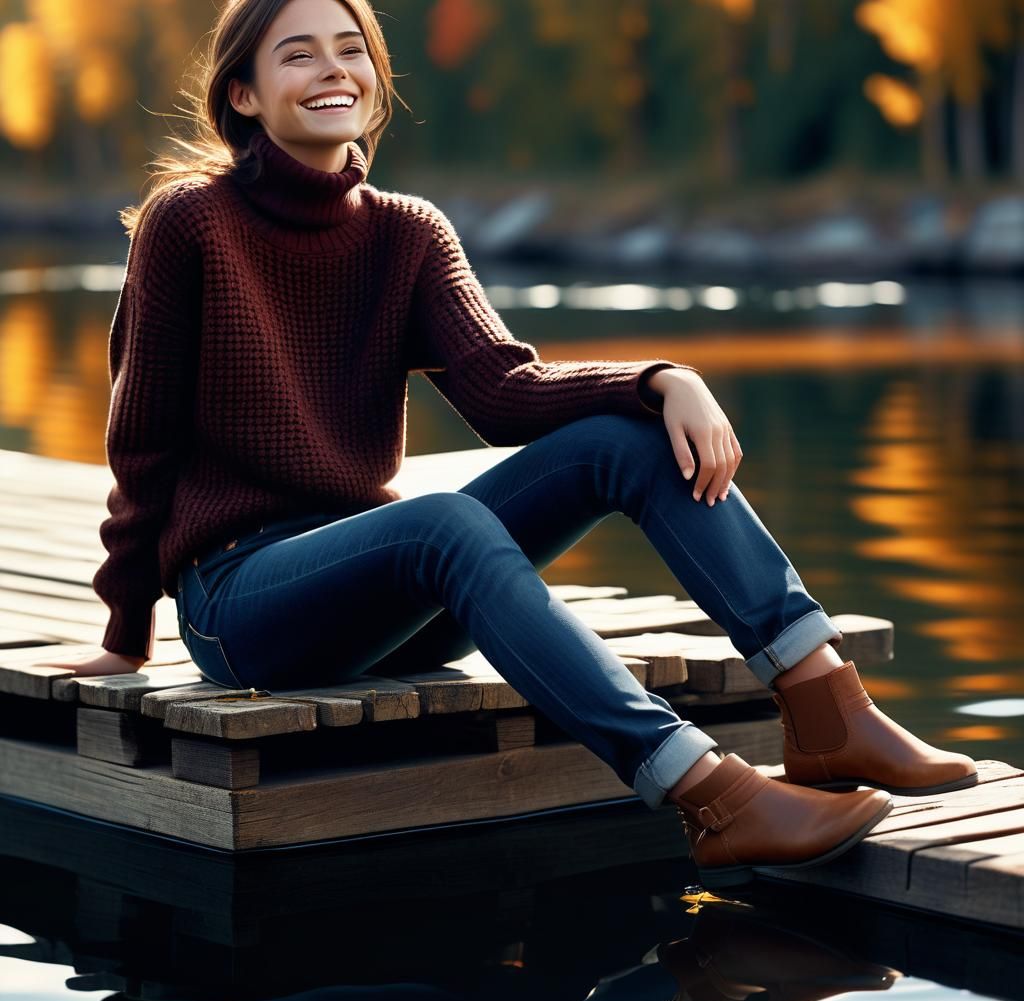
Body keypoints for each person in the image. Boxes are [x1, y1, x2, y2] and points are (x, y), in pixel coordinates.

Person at [36, 0, 977, 890]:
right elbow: (143, 444)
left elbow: (505, 394)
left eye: (351, 47)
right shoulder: (188, 224)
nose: (334, 69)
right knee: (443, 521)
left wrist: (661, 380)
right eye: (299, 52)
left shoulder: (407, 232)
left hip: (393, 594)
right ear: (242, 93)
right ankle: (707, 793)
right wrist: (126, 631)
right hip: (241, 603)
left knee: (625, 439)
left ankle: (826, 709)